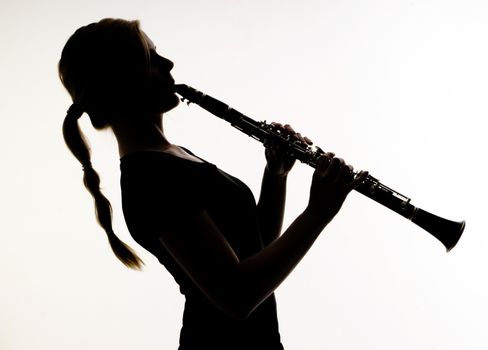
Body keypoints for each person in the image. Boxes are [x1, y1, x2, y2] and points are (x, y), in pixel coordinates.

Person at [59, 18, 367, 350]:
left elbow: (254, 246)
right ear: (120, 81)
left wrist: (276, 175)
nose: (169, 63)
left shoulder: (172, 157)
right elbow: (237, 296)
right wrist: (318, 213)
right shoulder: (150, 177)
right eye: (151, 58)